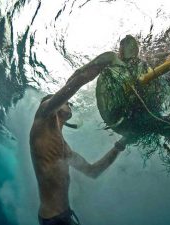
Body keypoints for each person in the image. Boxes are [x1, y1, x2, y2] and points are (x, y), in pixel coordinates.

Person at [30, 38, 132, 225]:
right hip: (53, 221)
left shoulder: (64, 149)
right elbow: (75, 83)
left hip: (65, 217)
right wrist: (106, 60)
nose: (69, 103)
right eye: (65, 102)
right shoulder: (44, 113)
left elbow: (93, 171)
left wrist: (121, 144)